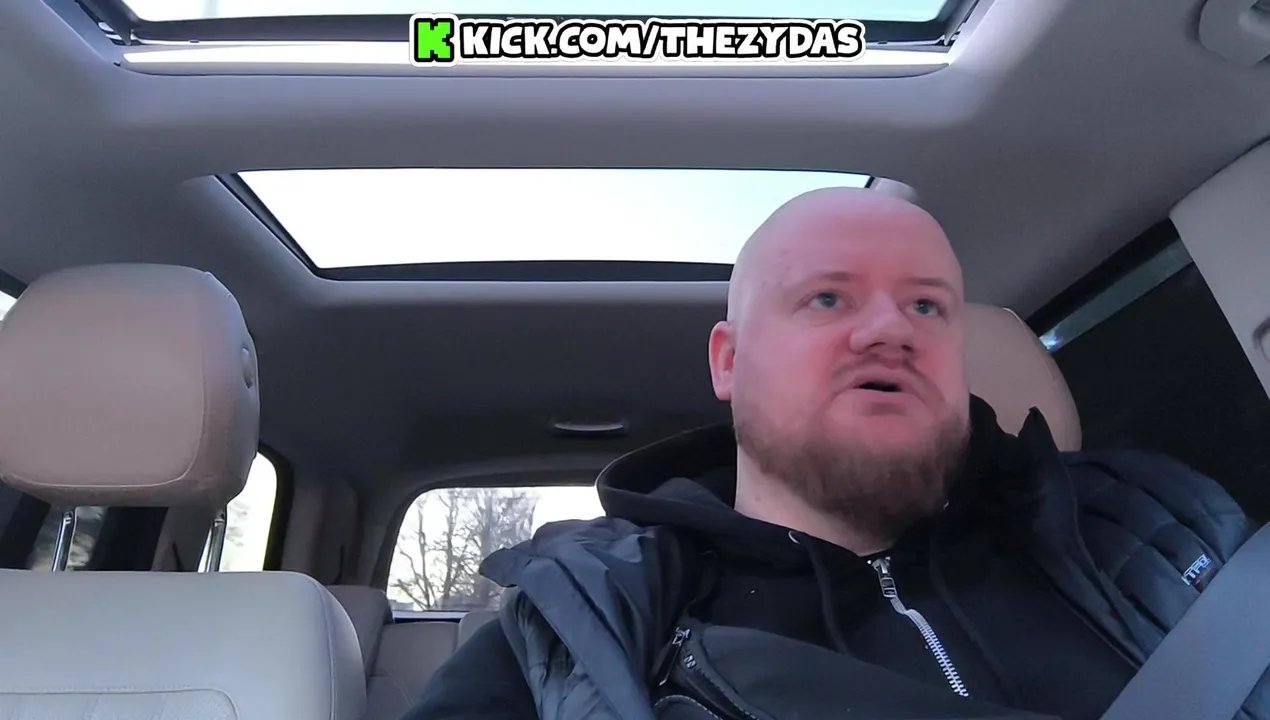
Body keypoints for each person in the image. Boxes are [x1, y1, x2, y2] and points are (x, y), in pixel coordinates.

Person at [403, 188, 1259, 720]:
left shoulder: (1161, 526)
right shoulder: (583, 629)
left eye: (927, 307)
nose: (890, 329)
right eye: (826, 298)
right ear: (728, 361)